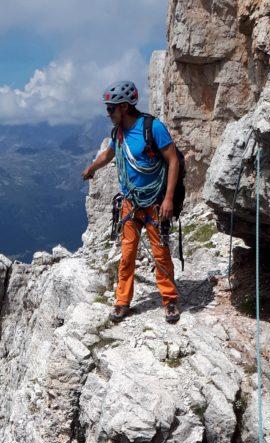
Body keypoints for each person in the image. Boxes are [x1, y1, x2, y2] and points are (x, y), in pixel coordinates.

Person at [83, 80, 181, 324]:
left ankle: (169, 300)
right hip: (130, 203)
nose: (108, 113)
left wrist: (168, 198)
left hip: (155, 202)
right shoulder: (118, 132)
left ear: (124, 107)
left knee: (160, 253)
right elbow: (110, 153)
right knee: (127, 255)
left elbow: (173, 160)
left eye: (111, 108)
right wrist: (93, 167)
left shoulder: (152, 127)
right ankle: (122, 301)